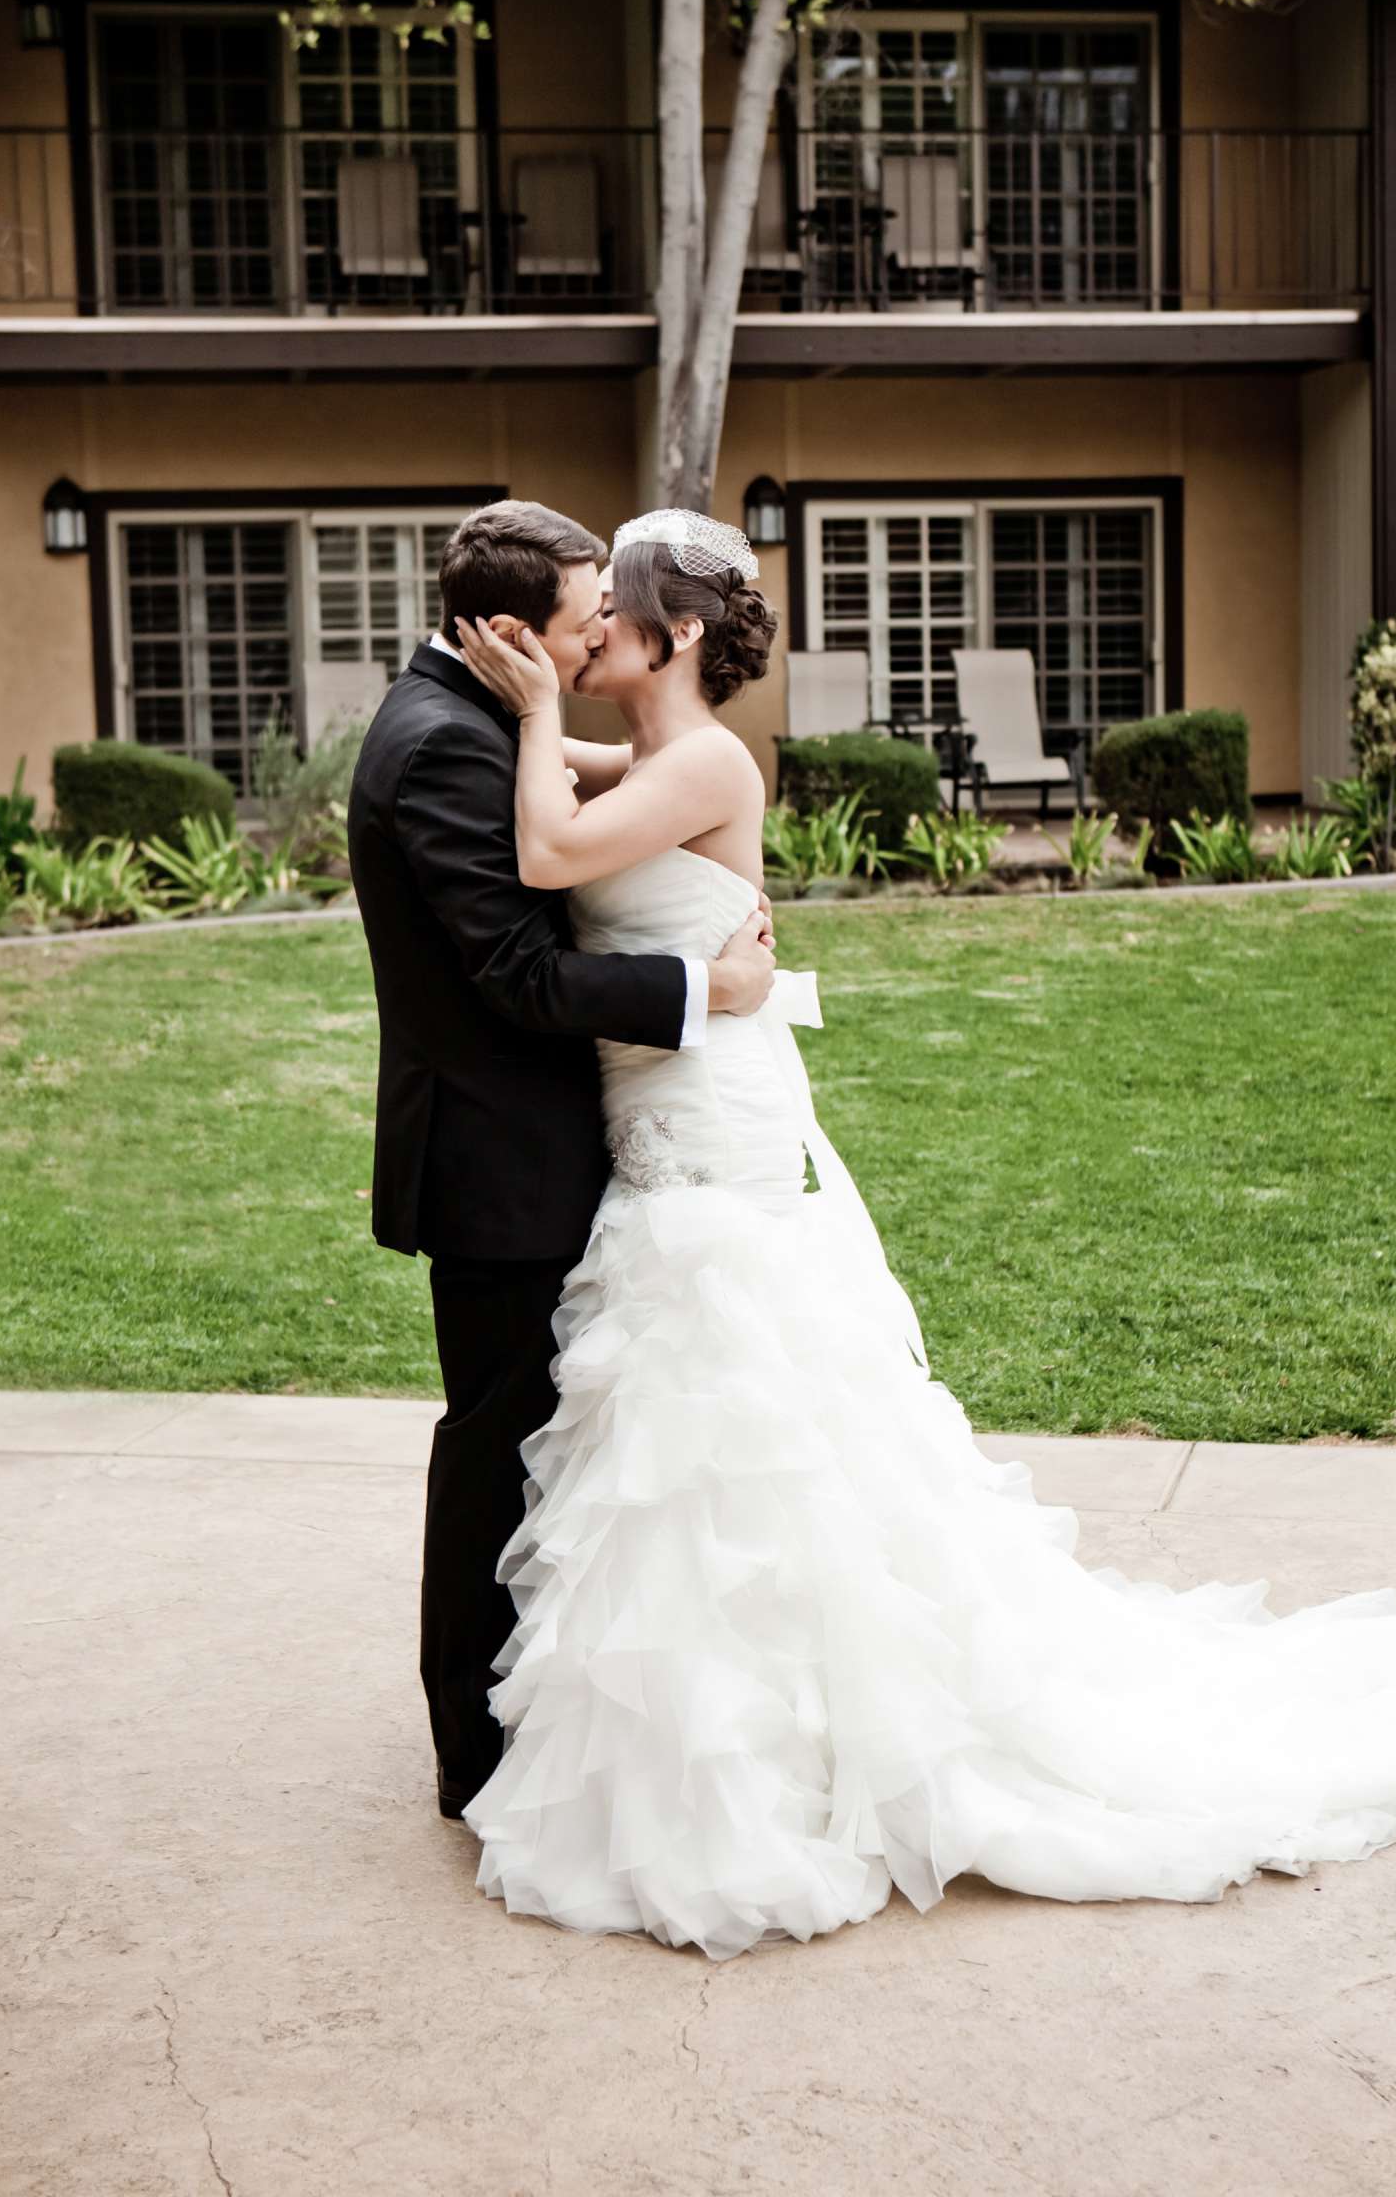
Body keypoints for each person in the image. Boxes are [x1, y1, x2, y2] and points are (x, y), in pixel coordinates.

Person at [449, 506, 1396, 1964]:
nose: (588, 636)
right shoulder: (664, 754)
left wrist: (531, 716)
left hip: (714, 1122)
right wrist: (504, 701)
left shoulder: (702, 761)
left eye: (607, 613)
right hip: (673, 1105)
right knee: (701, 1409)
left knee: (733, 1392)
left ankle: (808, 1734)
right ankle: (756, 1716)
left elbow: (558, 855)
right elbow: (578, 779)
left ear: (670, 635)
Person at [346, 499, 776, 1822]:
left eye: (611, 618)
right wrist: (711, 989)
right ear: (508, 632)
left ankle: (546, 1712)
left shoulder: (480, 726)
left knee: (554, 1448)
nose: (595, 640)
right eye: (583, 621)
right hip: (499, 1166)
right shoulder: (446, 748)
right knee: (496, 1454)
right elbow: (526, 975)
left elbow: (604, 810)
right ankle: (471, 1753)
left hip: (578, 1147)